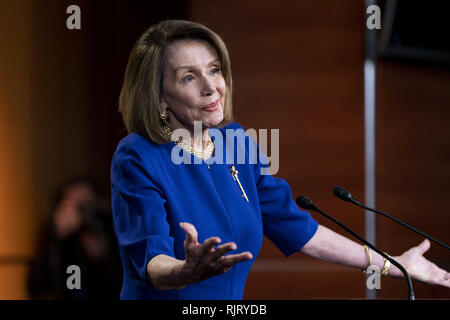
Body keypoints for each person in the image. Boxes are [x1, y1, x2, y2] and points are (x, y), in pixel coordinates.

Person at [110, 20, 449, 300]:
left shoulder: (237, 142)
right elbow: (151, 261)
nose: (211, 87)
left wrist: (390, 263)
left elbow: (298, 228)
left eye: (214, 70)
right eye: (188, 77)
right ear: (159, 99)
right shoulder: (138, 155)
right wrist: (185, 271)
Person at [28, 177, 122, 299]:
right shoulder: (57, 237)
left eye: (87, 205)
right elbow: (37, 288)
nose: (81, 214)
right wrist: (57, 239)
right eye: (74, 207)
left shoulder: (113, 230)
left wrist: (103, 259)